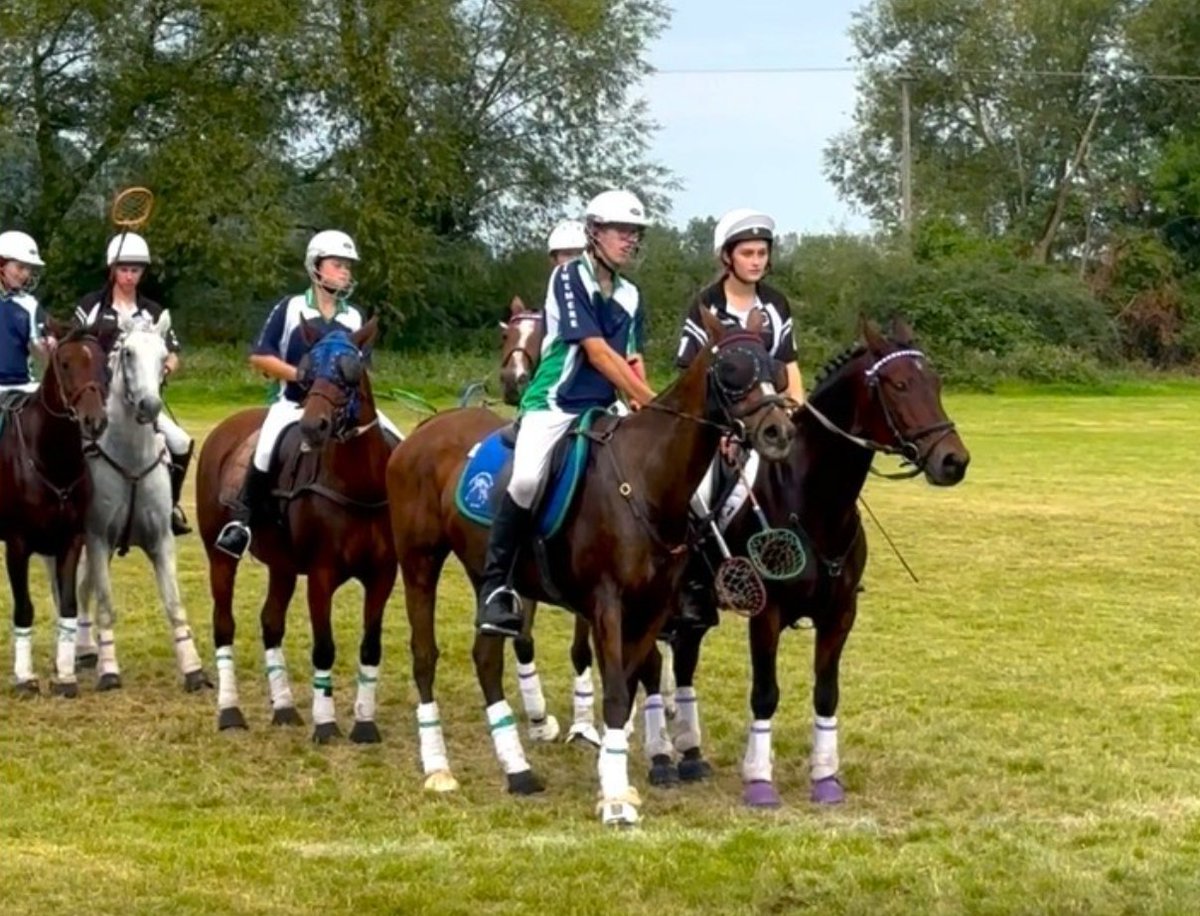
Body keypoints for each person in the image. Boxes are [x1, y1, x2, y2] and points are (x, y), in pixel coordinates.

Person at [476, 190, 658, 639]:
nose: (630, 241)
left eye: (635, 233)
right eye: (622, 232)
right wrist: (648, 400)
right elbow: (595, 352)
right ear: (594, 233)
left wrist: (648, 402)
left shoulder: (632, 294)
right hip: (555, 403)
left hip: (605, 405)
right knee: (525, 480)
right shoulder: (568, 278)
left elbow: (629, 357)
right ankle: (497, 587)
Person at [213, 229, 404, 559]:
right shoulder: (290, 308)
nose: (346, 271)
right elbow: (261, 356)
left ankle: (399, 519)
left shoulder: (353, 316)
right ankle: (242, 523)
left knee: (396, 442)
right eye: (338, 264)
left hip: (345, 409)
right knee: (265, 448)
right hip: (294, 404)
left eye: (348, 266)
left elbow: (363, 367)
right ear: (316, 266)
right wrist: (301, 374)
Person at [672, 208, 805, 631]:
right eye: (747, 252)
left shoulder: (776, 303)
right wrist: (723, 433)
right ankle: (693, 586)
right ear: (727, 257)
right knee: (696, 498)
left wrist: (793, 408)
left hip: (768, 419)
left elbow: (789, 367)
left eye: (762, 252)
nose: (757, 260)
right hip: (717, 427)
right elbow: (688, 378)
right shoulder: (705, 305)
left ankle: (806, 573)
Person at [74, 232, 195, 535]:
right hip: (98, 400)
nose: (129, 276)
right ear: (112, 270)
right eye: (124, 269)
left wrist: (166, 366)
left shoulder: (153, 311)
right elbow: (74, 347)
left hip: (142, 402)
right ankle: (72, 506)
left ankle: (170, 507)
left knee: (180, 442)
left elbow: (173, 352)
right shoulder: (91, 307)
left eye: (135, 270)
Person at [0, 230, 55, 395]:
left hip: (22, 386)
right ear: (1, 263)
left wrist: (49, 344)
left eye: (29, 269)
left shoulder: (30, 304)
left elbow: (40, 347)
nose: (25, 274)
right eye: (20, 267)